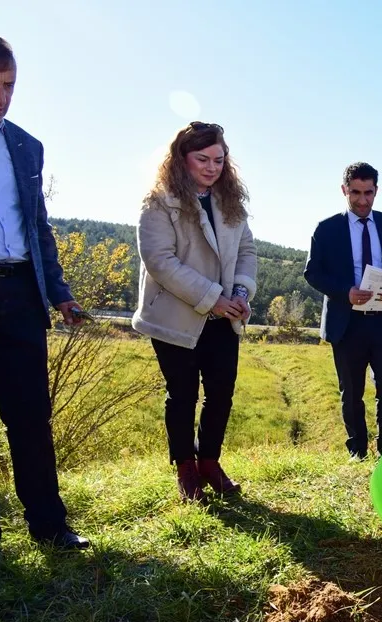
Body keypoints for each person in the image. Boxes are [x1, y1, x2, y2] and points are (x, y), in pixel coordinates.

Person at [0, 30, 90, 566]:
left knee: (30, 417)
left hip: (21, 295)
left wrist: (60, 294)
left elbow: (38, 227)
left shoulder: (26, 145)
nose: (0, 96)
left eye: (9, 85)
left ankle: (50, 527)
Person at [133, 122, 257, 502]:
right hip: (174, 317)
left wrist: (238, 292)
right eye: (202, 159)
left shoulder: (230, 200)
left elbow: (248, 252)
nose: (211, 167)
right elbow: (160, 261)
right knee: (183, 394)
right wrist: (213, 296)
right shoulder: (159, 201)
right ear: (181, 159)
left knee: (221, 393)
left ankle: (210, 462)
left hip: (224, 316)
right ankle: (185, 468)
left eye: (219, 159)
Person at [305, 163, 382, 460]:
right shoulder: (326, 229)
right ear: (344, 190)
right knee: (351, 391)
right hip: (346, 323)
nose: (363, 200)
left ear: (377, 191)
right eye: (356, 193)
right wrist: (345, 292)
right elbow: (313, 273)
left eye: (369, 193)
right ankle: (357, 449)